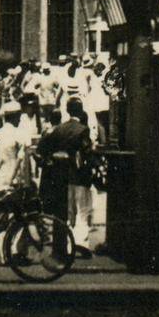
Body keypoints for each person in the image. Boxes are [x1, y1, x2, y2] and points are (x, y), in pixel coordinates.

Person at [38, 94, 94, 250]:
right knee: (83, 210)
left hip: (62, 176)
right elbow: (86, 152)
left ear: (68, 111)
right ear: (81, 111)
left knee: (68, 212)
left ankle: (68, 243)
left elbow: (43, 147)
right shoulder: (83, 130)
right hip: (80, 176)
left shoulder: (60, 129)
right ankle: (81, 242)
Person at [0, 100, 33, 204]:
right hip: (15, 183)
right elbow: (21, 159)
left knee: (1, 215)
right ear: (15, 117)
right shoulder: (20, 135)